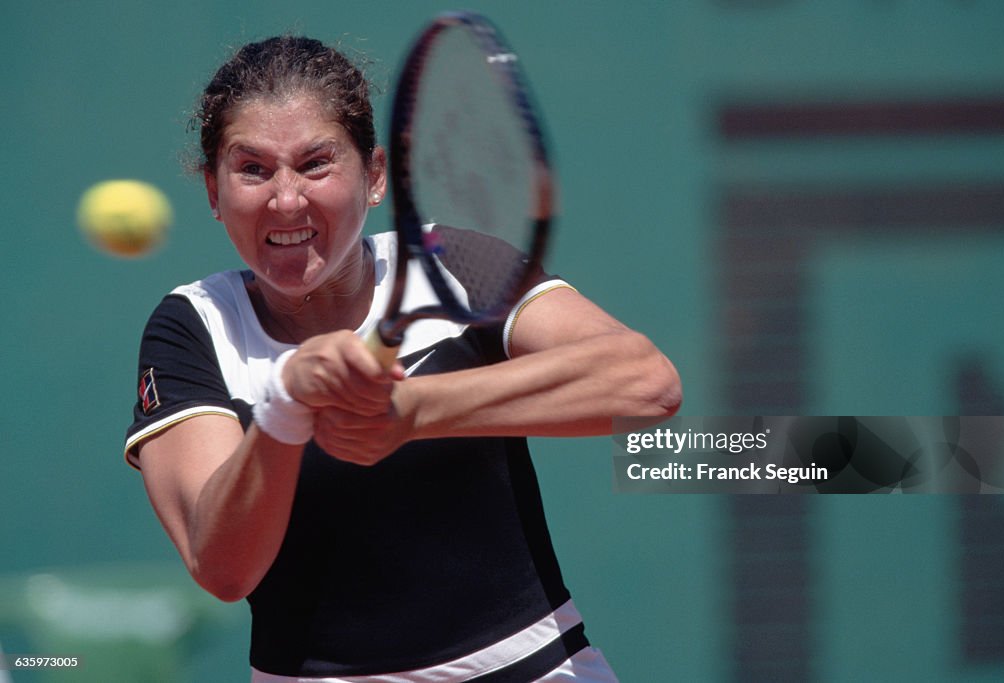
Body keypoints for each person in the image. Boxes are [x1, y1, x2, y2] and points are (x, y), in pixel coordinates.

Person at [124, 35, 681, 682]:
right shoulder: (192, 327)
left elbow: (647, 384)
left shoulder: (454, 264)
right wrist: (285, 408)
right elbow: (222, 567)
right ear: (214, 192)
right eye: (253, 169)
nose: (285, 200)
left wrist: (415, 408)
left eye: (315, 164)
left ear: (376, 175)